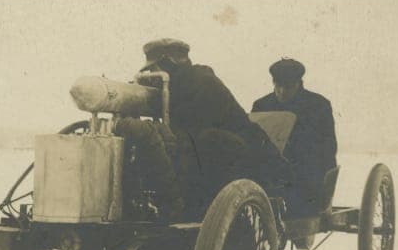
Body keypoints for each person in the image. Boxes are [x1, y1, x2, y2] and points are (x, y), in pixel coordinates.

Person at [139, 38, 292, 217]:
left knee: (205, 141)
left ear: (169, 64)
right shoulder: (180, 84)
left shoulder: (201, 82)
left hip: (241, 161)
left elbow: (191, 134)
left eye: (154, 70)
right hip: (224, 159)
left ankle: (195, 211)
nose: (152, 76)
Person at [251, 57, 338, 215]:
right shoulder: (262, 105)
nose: (282, 92)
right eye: (278, 86)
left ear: (299, 83)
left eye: (288, 86)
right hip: (272, 173)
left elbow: (328, 149)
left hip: (306, 175)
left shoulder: (318, 105)